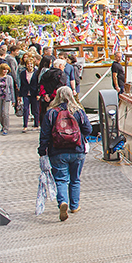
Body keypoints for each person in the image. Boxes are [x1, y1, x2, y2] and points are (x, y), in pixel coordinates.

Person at [39, 86, 92, 221]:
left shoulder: (51, 113)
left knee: (61, 179)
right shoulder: (78, 111)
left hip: (57, 151)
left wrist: (42, 151)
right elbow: (88, 129)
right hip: (77, 150)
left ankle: (63, 202)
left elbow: (44, 134)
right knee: (75, 179)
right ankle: (74, 206)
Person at [19, 54, 38, 131]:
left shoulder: (36, 72)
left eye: (31, 64)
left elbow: (38, 84)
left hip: (34, 93)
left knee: (35, 109)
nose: (29, 65)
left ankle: (36, 125)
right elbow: (22, 84)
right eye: (28, 64)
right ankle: (25, 125)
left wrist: (38, 94)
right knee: (26, 109)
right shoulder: (23, 73)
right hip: (25, 93)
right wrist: (19, 95)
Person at [0, 64, 11, 135]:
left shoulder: (9, 78)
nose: (5, 71)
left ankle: (6, 128)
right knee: (1, 113)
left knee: (5, 113)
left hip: (6, 97)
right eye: (4, 69)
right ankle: (3, 125)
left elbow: (11, 88)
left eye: (6, 69)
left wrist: (14, 100)